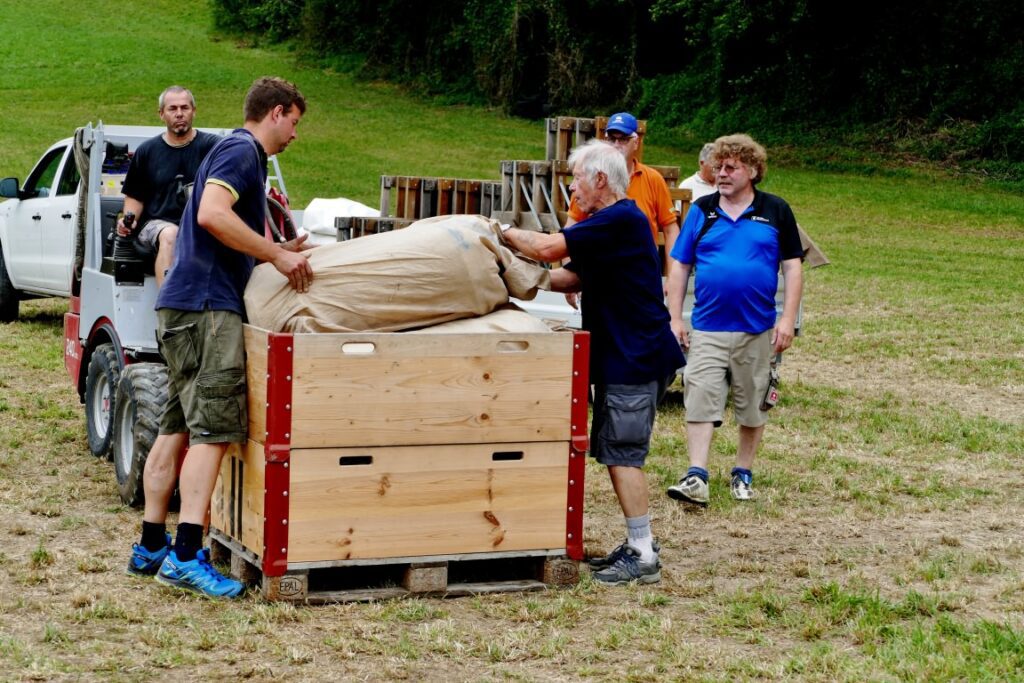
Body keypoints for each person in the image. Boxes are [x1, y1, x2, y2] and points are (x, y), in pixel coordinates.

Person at [125, 77, 314, 598]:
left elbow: (224, 228)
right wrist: (277, 256)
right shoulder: (242, 151)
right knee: (212, 431)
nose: (295, 135)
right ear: (276, 113)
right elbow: (211, 214)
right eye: (295, 122)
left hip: (182, 305)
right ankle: (186, 556)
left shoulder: (227, 150)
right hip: (208, 309)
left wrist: (277, 248)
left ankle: (151, 544)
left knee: (175, 426)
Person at [501, 139, 684, 586]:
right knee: (614, 450)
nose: (572, 188)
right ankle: (637, 544)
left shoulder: (620, 219)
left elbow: (547, 248)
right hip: (623, 355)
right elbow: (570, 277)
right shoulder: (607, 225)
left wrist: (497, 232)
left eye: (577, 178)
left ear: (601, 179)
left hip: (636, 358)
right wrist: (510, 276)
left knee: (623, 455)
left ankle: (643, 553)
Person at [665, 133, 803, 506]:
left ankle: (743, 472)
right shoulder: (702, 210)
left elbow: (792, 267)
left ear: (753, 171)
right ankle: (696, 475)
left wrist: (787, 319)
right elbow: (680, 265)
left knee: (753, 403)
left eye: (731, 168)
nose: (721, 174)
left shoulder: (776, 210)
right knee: (700, 397)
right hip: (708, 327)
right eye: (718, 167)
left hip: (757, 328)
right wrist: (675, 318)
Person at [118, 86, 220, 287]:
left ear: (194, 111)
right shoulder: (147, 152)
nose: (179, 114)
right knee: (171, 234)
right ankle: (169, 302)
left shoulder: (213, 147)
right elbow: (134, 197)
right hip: (156, 225)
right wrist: (128, 221)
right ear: (161, 114)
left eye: (185, 108)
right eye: (172, 109)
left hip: (201, 223)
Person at [565, 112, 679, 273]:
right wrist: (571, 273)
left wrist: (673, 276)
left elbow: (670, 229)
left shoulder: (653, 179)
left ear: (636, 143)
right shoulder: (588, 180)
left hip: (641, 272)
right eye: (611, 139)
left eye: (623, 139)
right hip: (597, 272)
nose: (617, 145)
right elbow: (570, 229)